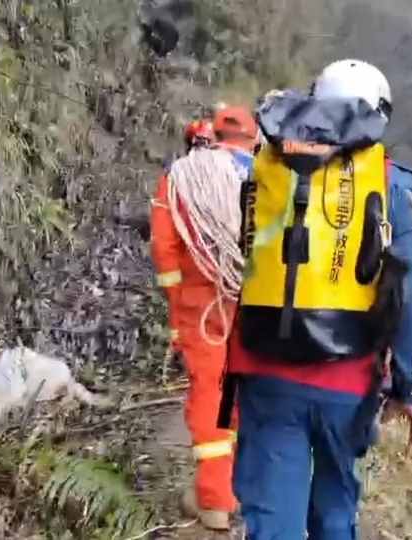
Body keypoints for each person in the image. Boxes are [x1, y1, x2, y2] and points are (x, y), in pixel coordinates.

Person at [220, 59, 412, 540]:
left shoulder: (269, 166)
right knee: (335, 512)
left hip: (265, 369)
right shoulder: (394, 183)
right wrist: (410, 387)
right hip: (348, 380)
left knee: (273, 521)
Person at [149, 105, 259, 531]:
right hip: (250, 301)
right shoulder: (262, 177)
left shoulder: (179, 178)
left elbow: (164, 249)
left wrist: (177, 307)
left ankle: (214, 498)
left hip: (202, 304)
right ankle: (237, 487)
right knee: (237, 389)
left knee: (210, 393)